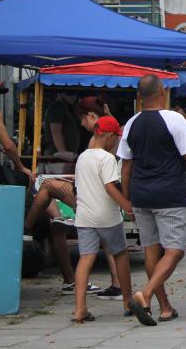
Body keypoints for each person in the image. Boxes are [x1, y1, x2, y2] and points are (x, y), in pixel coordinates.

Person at [119, 75, 186, 326]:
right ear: (162, 91)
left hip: (140, 195)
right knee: (174, 250)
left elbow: (126, 167)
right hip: (168, 195)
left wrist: (126, 199)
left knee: (152, 249)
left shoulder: (130, 124)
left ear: (139, 97)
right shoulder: (174, 120)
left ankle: (164, 307)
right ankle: (145, 294)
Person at [71, 115, 134, 322]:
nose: (116, 141)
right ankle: (127, 301)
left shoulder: (82, 157)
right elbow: (109, 187)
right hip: (107, 216)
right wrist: (126, 205)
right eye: (116, 137)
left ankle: (80, 308)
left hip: (84, 216)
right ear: (108, 136)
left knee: (85, 258)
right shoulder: (107, 159)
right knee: (120, 255)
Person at [45, 91, 81, 172]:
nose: (74, 97)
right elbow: (56, 132)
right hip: (58, 159)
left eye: (75, 94)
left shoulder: (66, 108)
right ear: (60, 93)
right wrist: (64, 154)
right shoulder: (57, 107)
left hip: (64, 158)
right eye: (70, 93)